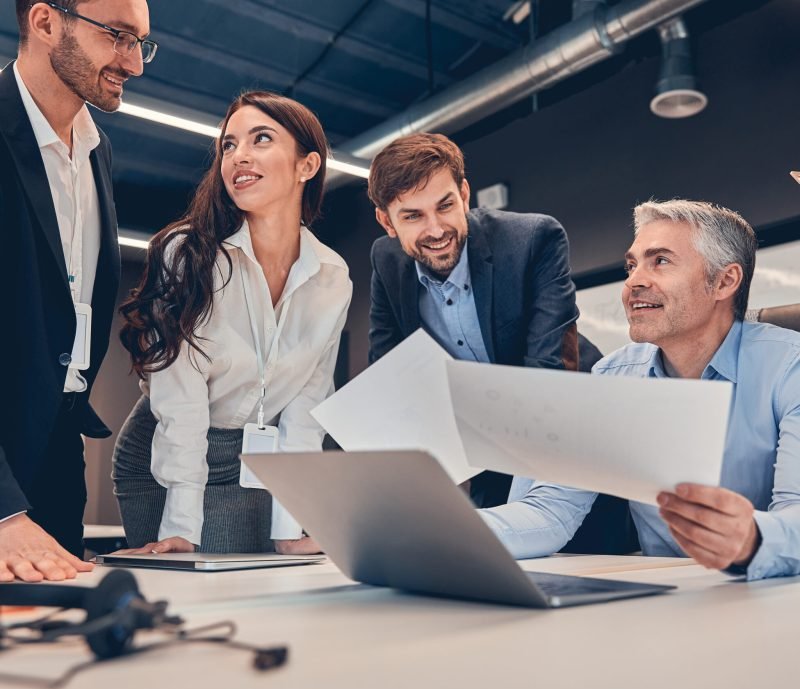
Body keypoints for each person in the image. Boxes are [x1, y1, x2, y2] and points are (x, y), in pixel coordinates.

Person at [482, 199, 800, 580]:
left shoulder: (789, 368)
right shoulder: (614, 376)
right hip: (667, 598)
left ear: (724, 281)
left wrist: (749, 538)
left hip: (775, 596)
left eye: (660, 261)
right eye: (632, 265)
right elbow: (549, 511)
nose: (633, 281)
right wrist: (444, 529)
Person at [112, 91, 352, 555]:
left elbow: (306, 409)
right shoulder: (188, 254)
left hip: (258, 464)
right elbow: (179, 402)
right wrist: (181, 526)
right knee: (195, 598)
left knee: (271, 594)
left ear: (307, 166)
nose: (239, 155)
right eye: (228, 145)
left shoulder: (332, 277)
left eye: (261, 139)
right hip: (168, 456)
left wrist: (291, 527)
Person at [0, 0, 153, 582]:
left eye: (140, 41)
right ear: (45, 22)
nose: (134, 63)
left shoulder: (96, 150)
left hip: (56, 453)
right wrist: (4, 510)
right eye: (117, 36)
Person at [367, 133, 579, 509]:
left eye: (445, 206)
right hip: (476, 453)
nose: (435, 230)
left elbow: (547, 372)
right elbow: (389, 374)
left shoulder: (533, 240)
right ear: (387, 221)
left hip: (564, 436)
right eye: (413, 216)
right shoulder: (386, 261)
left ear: (464, 195)